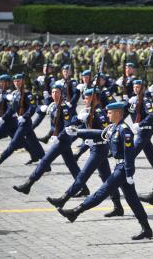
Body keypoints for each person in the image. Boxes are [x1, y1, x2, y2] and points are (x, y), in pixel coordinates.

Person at [57, 102, 153, 240]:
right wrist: (78, 132)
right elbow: (98, 133)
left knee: (102, 192)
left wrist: (129, 172)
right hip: (120, 168)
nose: (107, 114)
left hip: (123, 169)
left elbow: (129, 154)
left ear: (118, 113)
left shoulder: (124, 130)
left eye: (109, 112)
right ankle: (147, 229)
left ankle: (75, 212)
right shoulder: (114, 127)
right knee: (132, 200)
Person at [46, 88, 123, 218]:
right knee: (107, 179)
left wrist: (84, 134)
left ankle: (63, 199)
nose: (84, 100)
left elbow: (106, 132)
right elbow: (73, 122)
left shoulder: (99, 112)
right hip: (95, 149)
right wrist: (77, 120)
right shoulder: (88, 111)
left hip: (99, 149)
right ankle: (118, 207)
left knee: (82, 176)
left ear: (94, 98)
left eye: (87, 98)